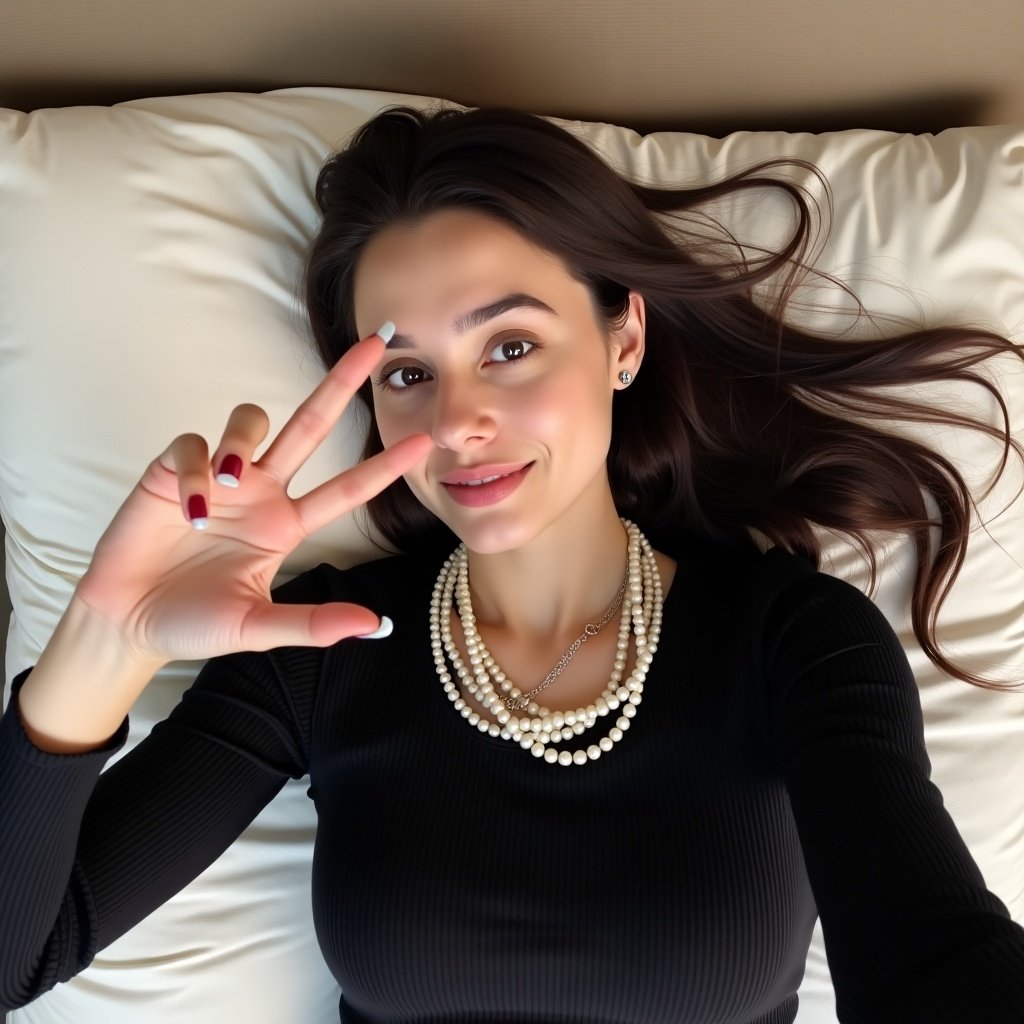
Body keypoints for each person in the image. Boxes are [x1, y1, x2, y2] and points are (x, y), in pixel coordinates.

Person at [2, 102, 1024, 1024]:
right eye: (407, 372)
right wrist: (110, 635)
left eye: (509, 347)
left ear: (623, 338)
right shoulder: (317, 647)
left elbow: (932, 961)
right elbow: (20, 957)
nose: (456, 422)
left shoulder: (791, 642)